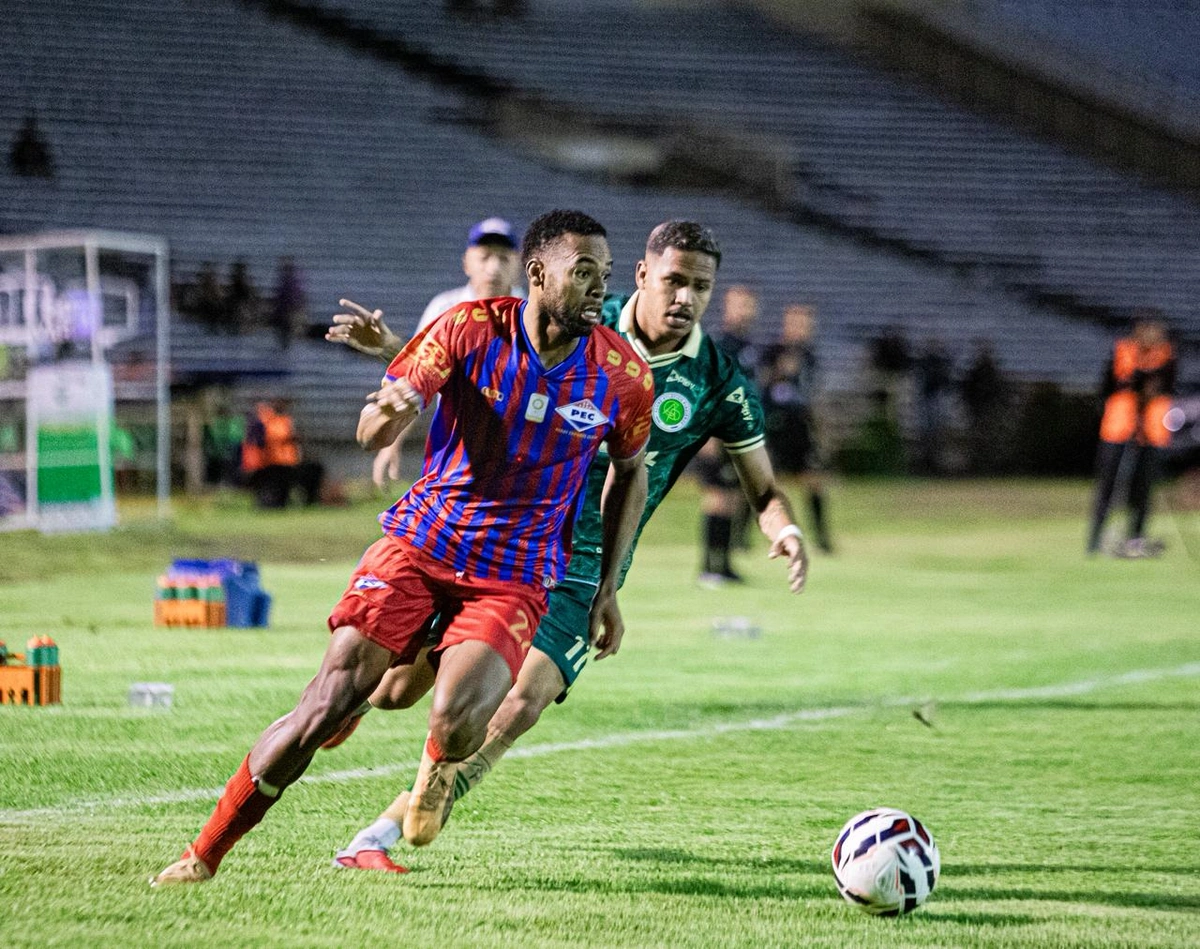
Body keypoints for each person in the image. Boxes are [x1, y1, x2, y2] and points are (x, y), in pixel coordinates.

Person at [149, 209, 653, 886]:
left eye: (607, 275)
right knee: (331, 703)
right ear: (538, 274)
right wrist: (384, 415)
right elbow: (397, 397)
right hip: (422, 542)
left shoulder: (621, 375)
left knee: (454, 713)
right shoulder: (470, 327)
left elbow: (631, 471)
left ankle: (438, 769)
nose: (600, 289)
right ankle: (204, 853)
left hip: (514, 575)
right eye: (584, 272)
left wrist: (607, 589)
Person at [322, 220, 808, 872]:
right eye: (674, 280)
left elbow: (764, 486)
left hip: (587, 561)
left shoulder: (717, 379)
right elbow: (469, 360)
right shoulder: (582, 314)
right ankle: (364, 706)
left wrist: (785, 528)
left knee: (526, 697)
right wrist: (389, 348)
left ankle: (411, 807)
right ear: (641, 274)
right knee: (397, 691)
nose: (686, 297)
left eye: (701, 286)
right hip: (509, 536)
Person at [335, 217, 525, 491]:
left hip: (516, 451)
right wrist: (393, 439)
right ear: (467, 263)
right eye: (484, 257)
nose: (493, 267)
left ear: (518, 265)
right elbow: (419, 376)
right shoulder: (445, 308)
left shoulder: (531, 315)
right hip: (454, 450)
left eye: (503, 258)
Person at [1086, 312, 1177, 557]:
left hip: (1152, 431)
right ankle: (1095, 539)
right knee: (1109, 485)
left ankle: (1135, 537)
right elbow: (1112, 385)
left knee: (1143, 487)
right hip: (1119, 429)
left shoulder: (1166, 354)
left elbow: (1165, 386)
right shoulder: (1123, 351)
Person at [700, 284, 763, 577]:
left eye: (748, 305)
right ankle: (709, 567)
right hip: (719, 430)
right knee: (717, 496)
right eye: (739, 305)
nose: (744, 311)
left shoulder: (747, 345)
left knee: (732, 497)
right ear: (727, 307)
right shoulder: (719, 343)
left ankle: (723, 565)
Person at [761, 304, 833, 553]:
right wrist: (780, 372)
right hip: (776, 427)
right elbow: (762, 385)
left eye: (806, 323)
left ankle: (821, 536)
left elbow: (814, 392)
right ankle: (744, 536)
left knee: (814, 481)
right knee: (764, 482)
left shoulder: (810, 356)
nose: (802, 329)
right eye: (798, 322)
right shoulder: (773, 351)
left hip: (801, 428)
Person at [239, 399, 324, 508]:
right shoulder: (265, 422)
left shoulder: (283, 420)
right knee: (272, 491)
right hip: (270, 463)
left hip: (284, 463)